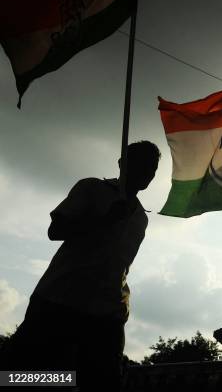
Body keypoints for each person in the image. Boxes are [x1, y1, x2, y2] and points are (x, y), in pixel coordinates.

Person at [0, 141, 160, 391]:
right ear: (122, 163)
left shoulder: (141, 217)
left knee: (101, 382)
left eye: (152, 168)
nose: (147, 173)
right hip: (59, 299)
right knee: (21, 375)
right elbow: (56, 230)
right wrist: (105, 220)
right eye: (141, 164)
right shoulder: (93, 188)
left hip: (107, 312)